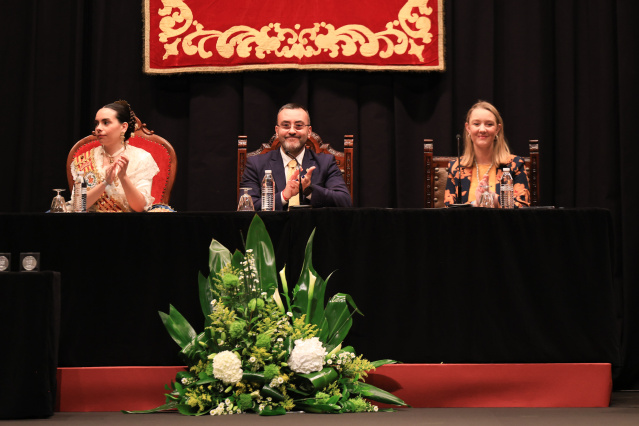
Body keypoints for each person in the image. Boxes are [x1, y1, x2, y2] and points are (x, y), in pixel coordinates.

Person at [240, 103, 353, 210]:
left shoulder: (326, 163)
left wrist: (309, 190)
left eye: (298, 126)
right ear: (277, 131)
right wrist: (283, 196)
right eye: (286, 125)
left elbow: (344, 201)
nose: (292, 131)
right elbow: (247, 207)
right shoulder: (256, 164)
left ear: (309, 131)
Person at [69, 100, 159, 212]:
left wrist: (123, 177)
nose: (98, 128)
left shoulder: (141, 158)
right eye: (97, 123)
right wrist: (105, 183)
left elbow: (139, 207)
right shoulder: (85, 159)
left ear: (124, 127)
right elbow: (78, 205)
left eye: (106, 122)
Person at [444, 101, 530, 208]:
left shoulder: (515, 164)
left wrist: (494, 199)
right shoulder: (456, 167)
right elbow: (448, 210)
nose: (482, 129)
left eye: (489, 124)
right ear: (468, 128)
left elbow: (523, 207)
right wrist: (475, 204)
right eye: (476, 124)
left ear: (497, 129)